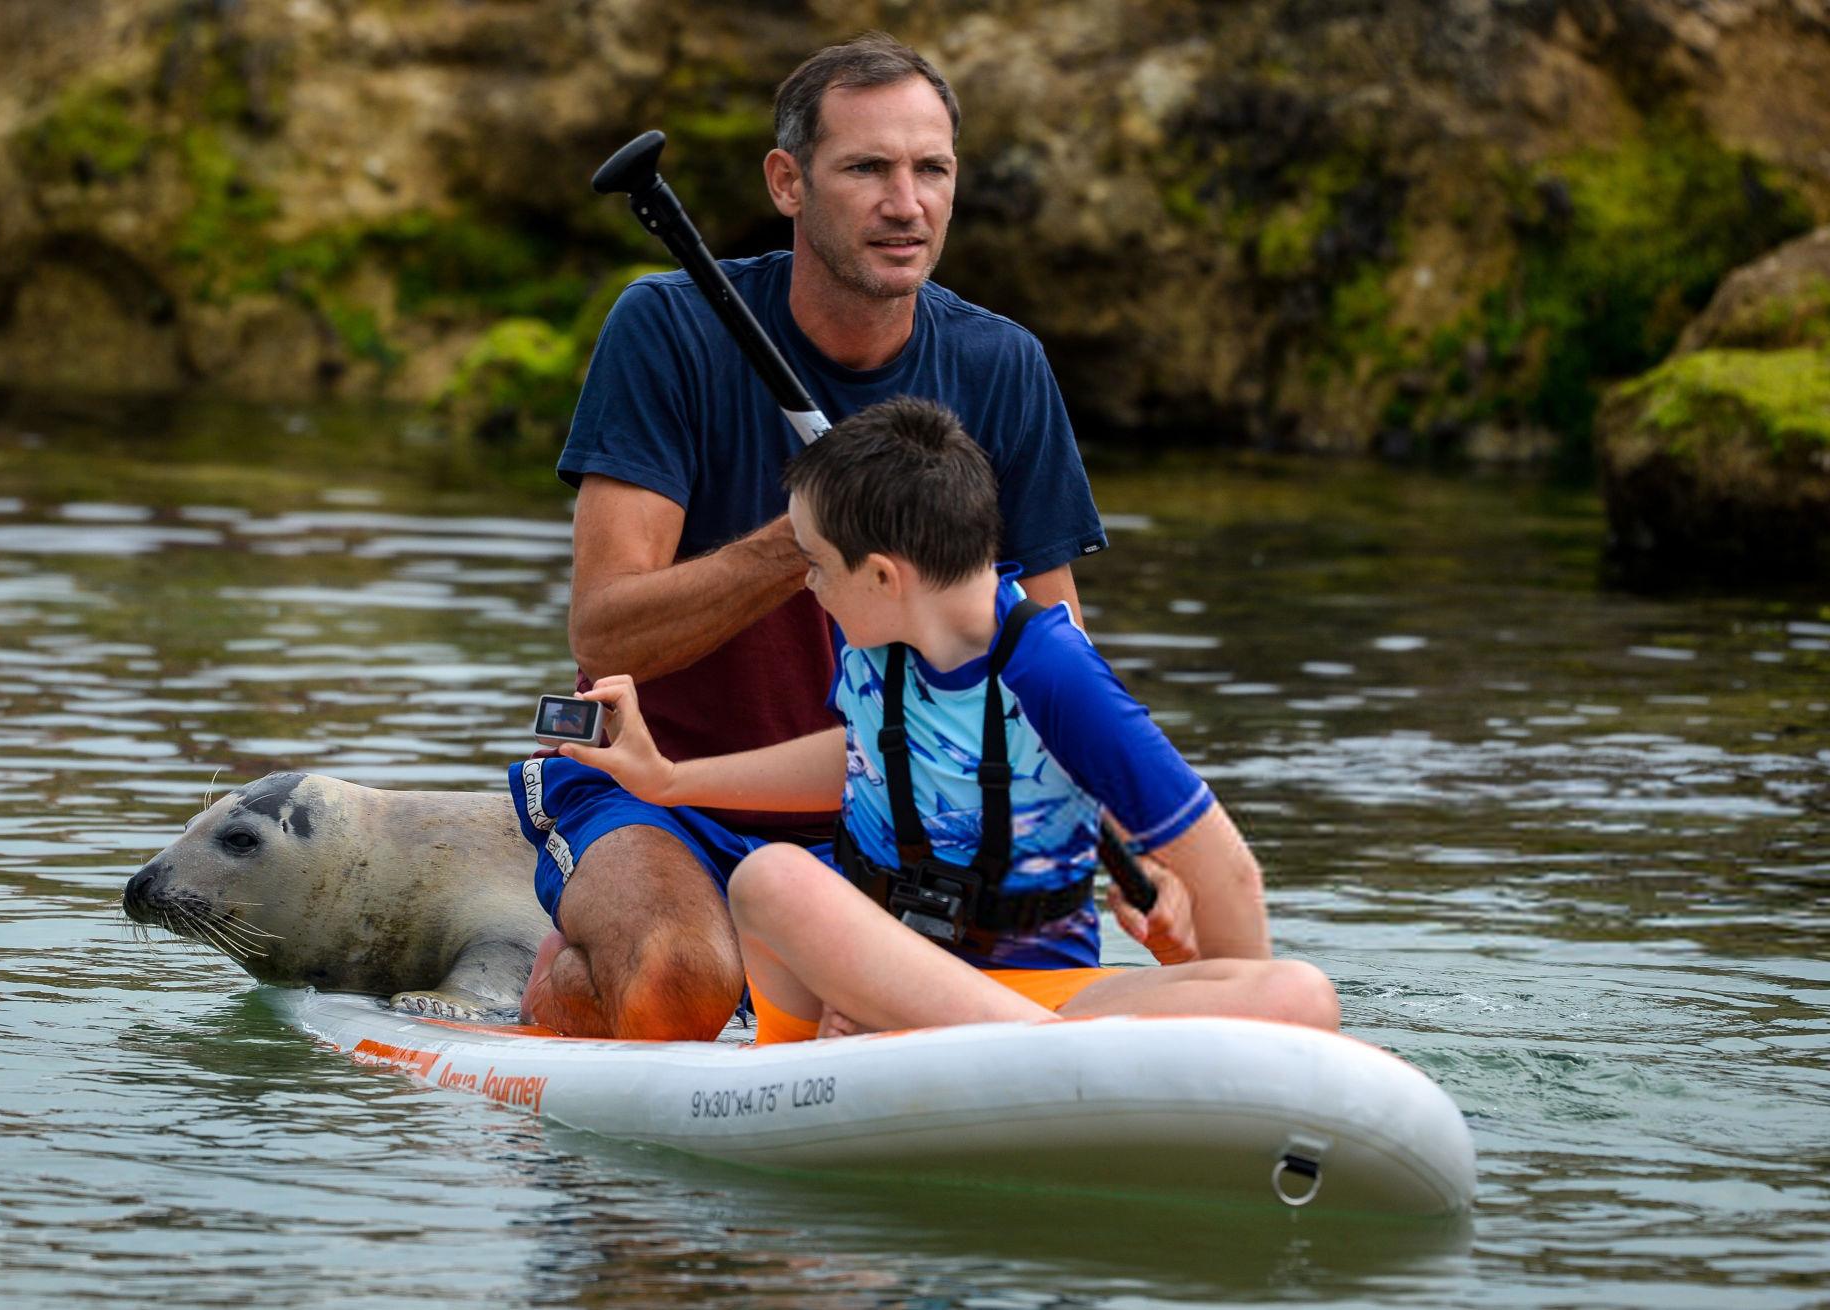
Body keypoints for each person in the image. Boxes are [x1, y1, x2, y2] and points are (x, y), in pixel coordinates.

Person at [510, 33, 1163, 1041]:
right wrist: (813, 528)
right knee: (675, 978)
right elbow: (606, 638)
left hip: (892, 811)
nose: (904, 204)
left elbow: (1048, 652)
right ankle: (578, 972)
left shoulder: (1002, 367)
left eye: (929, 169)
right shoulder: (668, 329)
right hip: (659, 790)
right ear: (787, 181)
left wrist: (1135, 825)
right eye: (866, 168)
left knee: (925, 1023)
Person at [553, 397, 1340, 1040]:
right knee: (772, 878)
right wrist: (670, 781)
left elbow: (1225, 868)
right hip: (895, 975)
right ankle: (1006, 1050)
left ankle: (1006, 1052)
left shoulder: (1055, 671)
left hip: (1044, 993)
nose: (811, 591)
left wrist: (1253, 1053)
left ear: (886, 575)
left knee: (1298, 996)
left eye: (816, 567)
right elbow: (859, 755)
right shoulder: (874, 647)